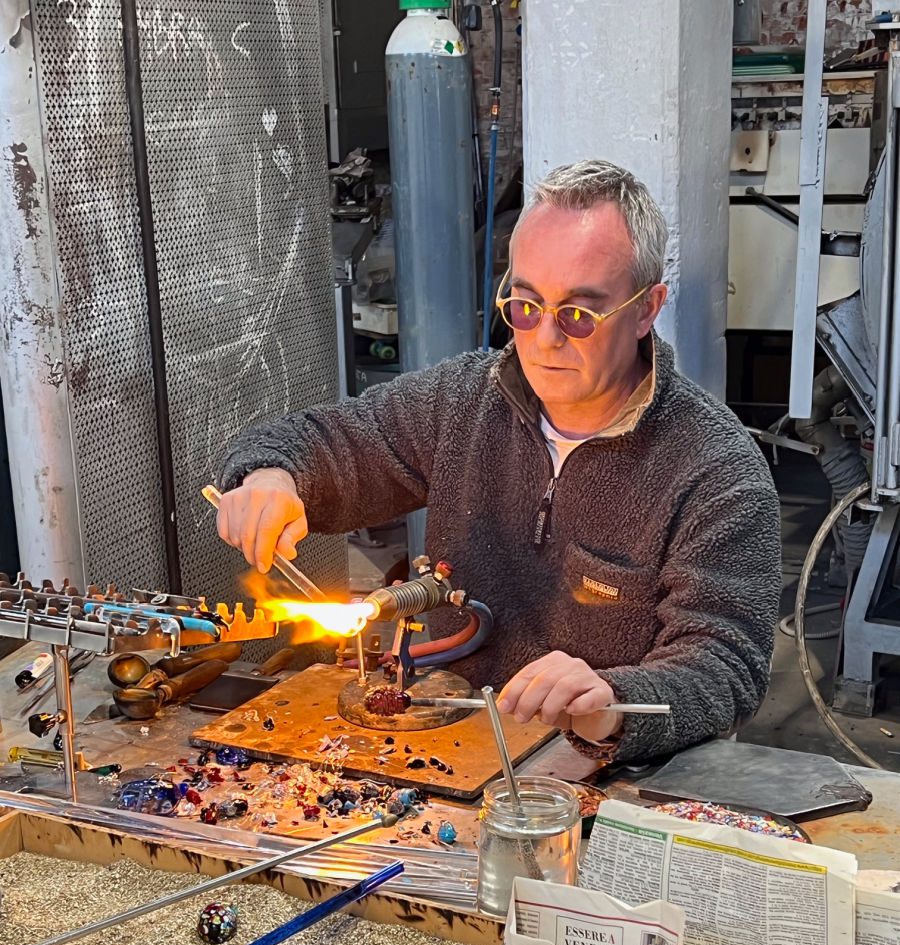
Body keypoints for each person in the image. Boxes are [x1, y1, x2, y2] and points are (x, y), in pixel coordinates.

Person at [216, 160, 781, 765]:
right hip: (450, 741)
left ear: (647, 309)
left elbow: (725, 663)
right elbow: (331, 440)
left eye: (579, 315)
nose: (544, 340)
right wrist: (272, 475)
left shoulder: (716, 470)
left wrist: (613, 701)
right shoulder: (466, 400)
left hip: (606, 771)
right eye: (526, 305)